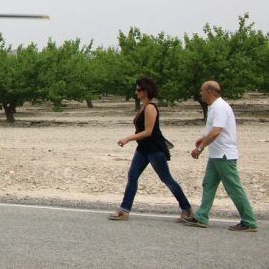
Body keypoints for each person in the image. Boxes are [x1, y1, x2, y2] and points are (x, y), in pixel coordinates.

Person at [109, 77, 192, 221]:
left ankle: (187, 209)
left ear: (145, 91)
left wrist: (128, 138)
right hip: (143, 149)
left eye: (138, 89)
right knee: (132, 176)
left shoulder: (150, 107)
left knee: (166, 179)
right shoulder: (143, 106)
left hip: (154, 149)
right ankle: (124, 210)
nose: (135, 92)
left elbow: (148, 131)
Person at [182, 81, 257, 232]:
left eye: (202, 90)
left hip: (224, 155)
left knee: (234, 188)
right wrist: (203, 138)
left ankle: (249, 221)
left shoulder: (219, 107)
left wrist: (201, 147)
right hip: (216, 155)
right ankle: (202, 216)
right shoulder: (214, 107)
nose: (200, 93)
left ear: (209, 91)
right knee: (208, 184)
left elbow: (217, 131)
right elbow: (214, 129)